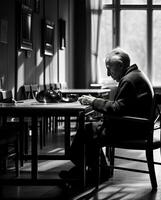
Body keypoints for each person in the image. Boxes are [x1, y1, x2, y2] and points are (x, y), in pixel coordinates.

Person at [59, 47, 154, 185]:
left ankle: (93, 170)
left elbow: (117, 108)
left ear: (120, 65)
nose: (108, 74)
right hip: (139, 126)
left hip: (133, 130)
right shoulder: (136, 75)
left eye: (109, 68)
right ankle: (90, 170)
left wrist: (94, 102)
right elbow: (122, 106)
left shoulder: (128, 80)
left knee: (87, 130)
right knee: (91, 128)